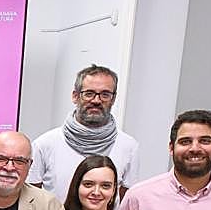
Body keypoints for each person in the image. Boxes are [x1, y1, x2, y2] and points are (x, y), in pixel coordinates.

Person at [28, 65, 140, 201]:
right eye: (89, 93)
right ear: (75, 96)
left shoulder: (128, 147)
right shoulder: (45, 144)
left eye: (105, 94)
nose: (96, 100)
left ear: (113, 99)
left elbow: (126, 201)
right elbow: (31, 198)